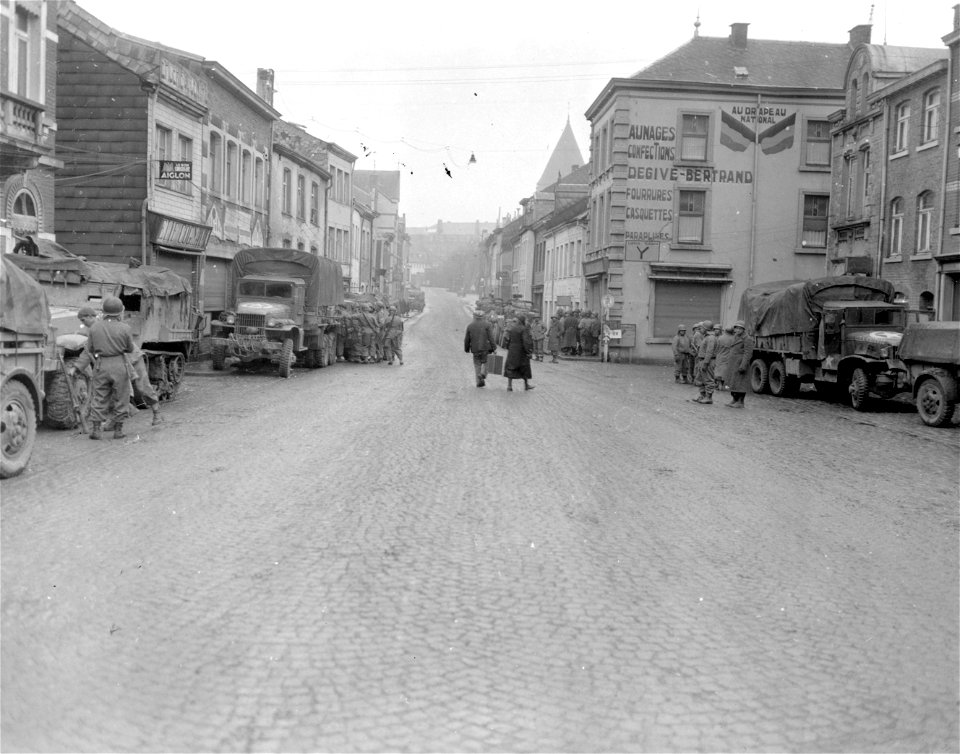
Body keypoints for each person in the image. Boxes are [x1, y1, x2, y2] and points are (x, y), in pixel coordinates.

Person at [68, 296, 135, 439]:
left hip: (101, 366)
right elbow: (129, 349)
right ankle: (118, 431)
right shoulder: (126, 328)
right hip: (119, 365)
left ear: (104, 311)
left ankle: (96, 431)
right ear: (119, 312)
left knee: (99, 397)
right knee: (121, 397)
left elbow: (90, 349)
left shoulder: (94, 328)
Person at [725, 320, 754, 408]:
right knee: (733, 382)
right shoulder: (735, 337)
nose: (737, 330)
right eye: (736, 328)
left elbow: (748, 353)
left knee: (741, 384)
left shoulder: (747, 339)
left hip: (740, 363)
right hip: (733, 364)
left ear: (743, 329)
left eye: (739, 328)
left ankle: (740, 402)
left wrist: (743, 365)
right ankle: (734, 399)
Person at [464, 308, 497, 387]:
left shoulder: (470, 326)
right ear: (483, 317)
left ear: (474, 317)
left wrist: (467, 349)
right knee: (486, 363)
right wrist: (494, 348)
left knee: (477, 365)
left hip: (475, 349)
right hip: (485, 349)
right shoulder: (488, 325)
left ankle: (478, 382)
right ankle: (483, 374)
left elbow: (467, 339)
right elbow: (491, 337)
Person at [503, 314, 534, 391]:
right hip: (521, 352)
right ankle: (526, 385)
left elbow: (507, 339)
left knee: (510, 367)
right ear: (523, 321)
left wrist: (509, 347)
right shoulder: (524, 329)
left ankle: (509, 386)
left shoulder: (512, 328)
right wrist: (528, 351)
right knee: (524, 368)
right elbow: (526, 341)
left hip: (512, 350)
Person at [692, 319, 718, 405]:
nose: (700, 329)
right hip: (702, 360)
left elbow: (709, 352)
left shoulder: (710, 338)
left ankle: (708, 397)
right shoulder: (706, 337)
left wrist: (705, 363)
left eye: (702, 328)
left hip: (708, 361)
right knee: (701, 379)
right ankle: (702, 395)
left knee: (708, 379)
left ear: (706, 329)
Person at [714, 324, 735, 391]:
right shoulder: (733, 338)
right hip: (729, 357)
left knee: (719, 371)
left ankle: (719, 385)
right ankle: (725, 385)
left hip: (720, 356)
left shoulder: (720, 338)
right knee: (726, 372)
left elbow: (716, 348)